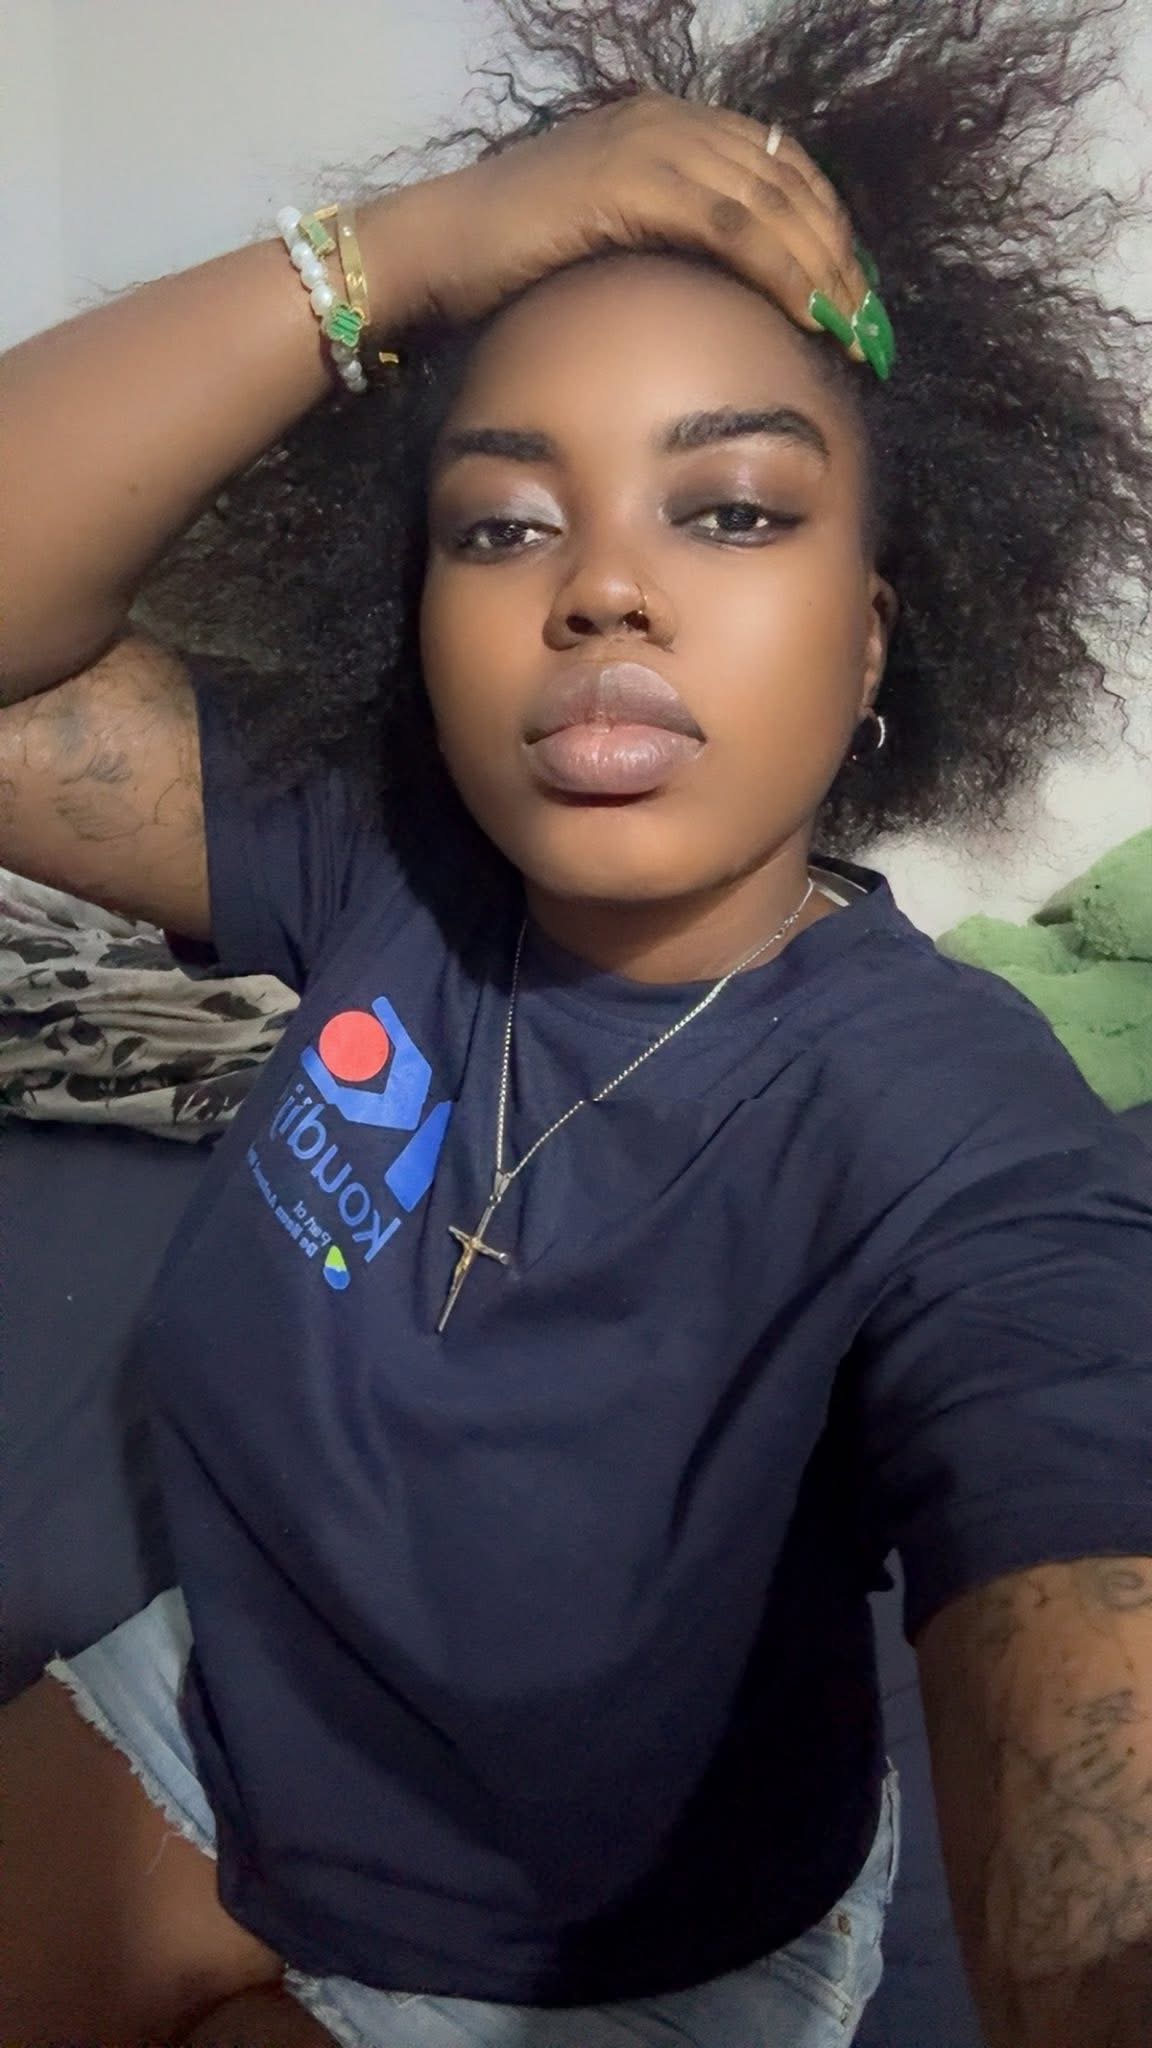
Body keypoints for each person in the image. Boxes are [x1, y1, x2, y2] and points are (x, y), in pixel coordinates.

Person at [2, 0, 1151, 2042]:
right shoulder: (382, 862)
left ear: (873, 634)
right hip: (219, 1724)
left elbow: (1073, 1537)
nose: (603, 589)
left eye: (733, 508)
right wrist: (399, 251)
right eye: (504, 523)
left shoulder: (956, 1126)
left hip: (613, 1961)